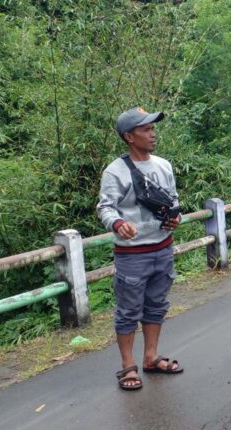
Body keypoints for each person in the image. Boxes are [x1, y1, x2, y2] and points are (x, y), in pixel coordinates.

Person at [97, 107, 183, 391]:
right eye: (146, 129)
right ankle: (127, 366)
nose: (152, 133)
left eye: (152, 128)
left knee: (156, 304)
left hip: (162, 247)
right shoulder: (115, 171)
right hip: (132, 254)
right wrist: (119, 223)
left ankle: (150, 357)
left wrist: (175, 217)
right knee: (128, 310)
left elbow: (172, 200)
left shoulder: (163, 165)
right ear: (129, 137)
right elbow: (105, 208)